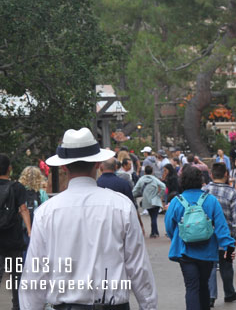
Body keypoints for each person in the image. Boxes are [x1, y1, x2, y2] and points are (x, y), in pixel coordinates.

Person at [20, 128, 157, 309]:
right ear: (98, 163)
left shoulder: (46, 213)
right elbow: (139, 267)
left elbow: (35, 275)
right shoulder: (121, 206)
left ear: (63, 166)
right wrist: (149, 306)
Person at [165, 165, 235, 310]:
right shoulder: (211, 200)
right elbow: (221, 227)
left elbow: (169, 227)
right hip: (207, 251)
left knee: (191, 287)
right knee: (204, 285)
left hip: (185, 251)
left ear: (182, 181)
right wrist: (229, 245)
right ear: (201, 180)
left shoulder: (177, 201)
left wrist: (177, 238)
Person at [205, 163, 236, 307]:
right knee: (227, 265)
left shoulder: (205, 190)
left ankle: (210, 296)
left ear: (211, 174)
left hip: (207, 237)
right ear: (227, 175)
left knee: (210, 266)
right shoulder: (232, 193)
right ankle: (229, 293)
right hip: (226, 238)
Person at [0, 154, 31, 310]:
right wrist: (30, 230)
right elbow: (23, 209)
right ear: (9, 168)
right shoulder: (17, 187)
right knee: (16, 275)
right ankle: (16, 305)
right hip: (14, 238)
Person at [133, 165, 166, 238]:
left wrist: (133, 195)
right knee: (154, 217)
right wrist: (159, 195)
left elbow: (135, 189)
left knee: (152, 217)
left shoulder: (141, 179)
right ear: (152, 171)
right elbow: (163, 186)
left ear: (144, 172)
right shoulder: (155, 179)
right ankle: (154, 232)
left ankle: (154, 232)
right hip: (155, 200)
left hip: (146, 201)